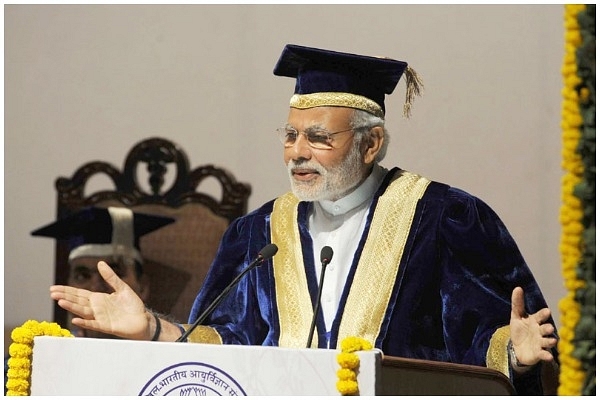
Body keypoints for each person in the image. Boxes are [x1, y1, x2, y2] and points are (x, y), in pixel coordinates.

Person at [49, 44, 558, 395]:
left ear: (371, 143)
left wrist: (510, 352)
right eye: (290, 136)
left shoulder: (445, 218)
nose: (298, 153)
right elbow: (227, 346)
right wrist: (152, 329)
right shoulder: (256, 233)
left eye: (319, 137)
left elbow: (488, 337)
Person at [33, 206, 175, 338]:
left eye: (113, 274)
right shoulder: (43, 356)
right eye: (82, 276)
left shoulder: (169, 360)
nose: (96, 288)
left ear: (143, 286)